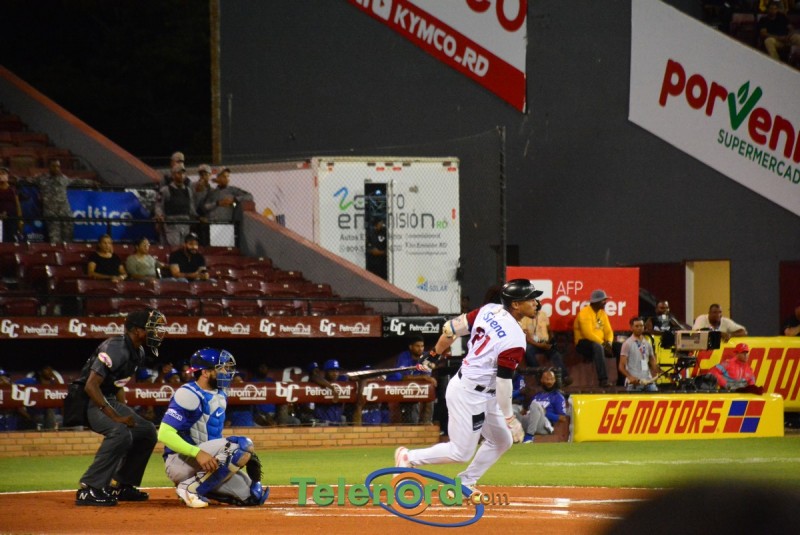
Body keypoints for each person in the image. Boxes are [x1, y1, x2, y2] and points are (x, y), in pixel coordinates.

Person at [394, 279, 542, 495]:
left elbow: (450, 329)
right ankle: (409, 457)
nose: (536, 303)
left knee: (502, 440)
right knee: (460, 452)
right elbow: (503, 382)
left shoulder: (489, 310)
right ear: (516, 305)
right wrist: (511, 419)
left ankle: (464, 482)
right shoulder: (515, 338)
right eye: (530, 299)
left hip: (483, 392)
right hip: (469, 393)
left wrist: (433, 354)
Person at [74, 308, 167, 506]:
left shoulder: (138, 351)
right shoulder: (115, 348)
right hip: (87, 400)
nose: (156, 332)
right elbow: (91, 386)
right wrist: (116, 417)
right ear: (136, 330)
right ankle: (89, 488)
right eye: (151, 328)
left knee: (147, 431)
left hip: (107, 398)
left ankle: (122, 485)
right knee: (120, 431)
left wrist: (125, 411)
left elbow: (118, 385)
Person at [158, 347, 269, 508]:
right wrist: (197, 453)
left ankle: (197, 486)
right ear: (205, 372)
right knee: (242, 445)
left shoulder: (221, 394)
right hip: (182, 461)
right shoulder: (188, 393)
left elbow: (211, 435)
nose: (227, 372)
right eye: (221, 368)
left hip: (207, 464)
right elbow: (164, 434)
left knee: (253, 497)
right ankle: (189, 488)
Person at [19, 159, 96, 243]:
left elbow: (77, 181)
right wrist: (16, 180)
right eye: (54, 166)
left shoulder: (63, 178)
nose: (56, 168)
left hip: (65, 213)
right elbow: (26, 180)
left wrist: (92, 183)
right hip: (51, 214)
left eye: (58, 166)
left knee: (68, 239)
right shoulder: (42, 178)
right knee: (54, 240)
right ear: (49, 167)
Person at [520, 305, 571, 386]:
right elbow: (527, 338)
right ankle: (539, 375)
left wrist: (552, 340)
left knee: (555, 354)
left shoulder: (543, 314)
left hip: (545, 342)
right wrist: (540, 345)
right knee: (528, 350)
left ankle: (564, 377)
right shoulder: (524, 317)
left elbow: (549, 330)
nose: (535, 310)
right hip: (533, 344)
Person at [573, 289, 614, 387]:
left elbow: (609, 331)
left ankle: (622, 381)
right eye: (603, 300)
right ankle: (603, 380)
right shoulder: (584, 313)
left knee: (620, 347)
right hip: (583, 343)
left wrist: (609, 343)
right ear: (596, 301)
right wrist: (603, 344)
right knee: (598, 347)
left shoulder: (602, 313)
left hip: (601, 343)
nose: (605, 302)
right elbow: (588, 334)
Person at [515, 369, 567, 443]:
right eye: (547, 379)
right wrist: (522, 412)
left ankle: (529, 437)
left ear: (555, 380)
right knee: (512, 409)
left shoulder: (558, 396)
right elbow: (524, 411)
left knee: (535, 405)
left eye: (552, 379)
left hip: (544, 425)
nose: (549, 382)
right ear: (541, 380)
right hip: (529, 420)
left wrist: (545, 413)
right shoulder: (536, 394)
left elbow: (563, 418)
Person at [393, 335, 437, 424]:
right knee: (412, 404)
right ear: (411, 347)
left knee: (430, 389)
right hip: (401, 388)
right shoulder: (404, 357)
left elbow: (427, 377)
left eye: (422, 346)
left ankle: (427, 422)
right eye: (417, 346)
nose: (420, 349)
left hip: (418, 387)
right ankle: (412, 424)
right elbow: (403, 378)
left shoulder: (426, 357)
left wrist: (424, 378)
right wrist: (422, 377)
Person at [155, 163, 197, 247]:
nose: (181, 175)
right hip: (172, 225)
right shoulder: (165, 190)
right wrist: (160, 216)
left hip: (185, 224)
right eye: (179, 173)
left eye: (183, 173)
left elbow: (191, 207)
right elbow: (159, 205)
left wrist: (196, 217)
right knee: (175, 247)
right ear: (173, 175)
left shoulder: (188, 190)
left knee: (185, 248)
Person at [619, 317, 659, 392]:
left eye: (641, 326)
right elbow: (621, 366)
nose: (639, 328)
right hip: (634, 383)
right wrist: (630, 377)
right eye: (637, 326)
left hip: (648, 381)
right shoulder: (627, 344)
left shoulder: (647, 343)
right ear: (631, 328)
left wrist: (657, 371)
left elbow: (652, 360)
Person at [313, 359, 349, 425]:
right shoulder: (320, 382)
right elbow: (314, 377)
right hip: (322, 423)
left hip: (337, 422)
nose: (335, 373)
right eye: (332, 370)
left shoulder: (341, 381)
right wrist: (332, 388)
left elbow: (350, 377)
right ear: (326, 372)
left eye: (337, 370)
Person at [0, 167, 22, 243]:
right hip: (0, 218)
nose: (1, 175)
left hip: (12, 217)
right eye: (0, 173)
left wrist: (20, 219)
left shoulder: (12, 189)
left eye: (3, 173)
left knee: (11, 238)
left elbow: (17, 205)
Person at [192, 164, 213, 246]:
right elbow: (191, 203)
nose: (203, 176)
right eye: (201, 174)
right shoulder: (192, 186)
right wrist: (199, 191)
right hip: (194, 220)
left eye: (205, 174)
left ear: (210, 175)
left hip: (207, 221)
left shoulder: (212, 190)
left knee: (206, 243)